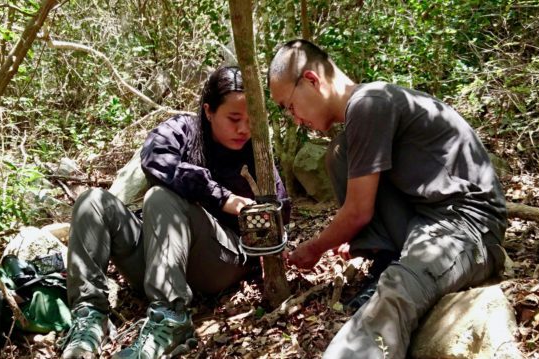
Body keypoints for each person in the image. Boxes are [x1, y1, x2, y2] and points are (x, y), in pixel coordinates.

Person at [267, 40, 507, 358]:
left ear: (312, 80)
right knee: (339, 152)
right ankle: (385, 257)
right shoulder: (362, 111)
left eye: (290, 106)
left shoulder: (369, 103)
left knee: (399, 289)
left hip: (468, 224)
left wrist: (314, 248)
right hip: (426, 214)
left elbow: (357, 212)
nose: (294, 119)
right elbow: (362, 203)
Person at [59, 66, 291, 359]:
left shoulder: (256, 151)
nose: (243, 129)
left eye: (250, 120)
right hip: (159, 258)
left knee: (159, 197)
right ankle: (89, 316)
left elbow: (281, 214)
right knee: (92, 200)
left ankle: (171, 319)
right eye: (234, 119)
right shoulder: (183, 130)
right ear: (208, 111)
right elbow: (155, 160)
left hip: (220, 260)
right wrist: (221, 197)